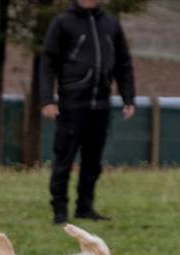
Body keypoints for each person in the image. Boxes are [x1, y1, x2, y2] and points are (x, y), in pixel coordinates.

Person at [40, 0, 136, 225]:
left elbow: (123, 63)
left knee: (93, 162)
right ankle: (60, 211)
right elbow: (47, 64)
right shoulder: (63, 22)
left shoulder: (111, 24)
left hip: (101, 105)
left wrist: (128, 97)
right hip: (71, 105)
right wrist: (47, 99)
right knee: (64, 160)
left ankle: (85, 207)